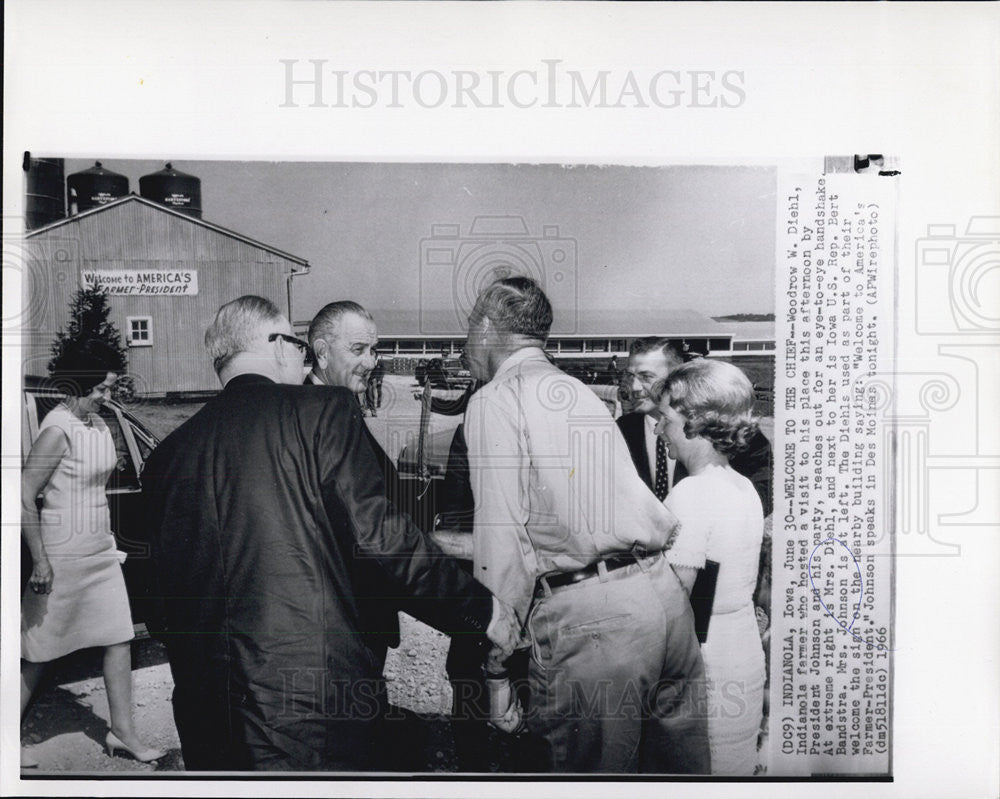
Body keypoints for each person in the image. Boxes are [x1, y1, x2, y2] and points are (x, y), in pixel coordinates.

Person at [142, 296, 518, 771]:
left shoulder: (166, 457)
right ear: (279, 345)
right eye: (298, 344)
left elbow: (158, 608)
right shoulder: (322, 411)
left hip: (206, 716)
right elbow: (379, 541)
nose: (301, 358)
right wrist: (481, 609)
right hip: (312, 712)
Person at [463, 276, 710, 773]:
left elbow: (502, 537)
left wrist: (496, 667)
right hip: (662, 603)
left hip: (596, 625)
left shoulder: (495, 399)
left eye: (469, 327)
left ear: (486, 328)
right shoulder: (577, 391)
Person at [21, 339, 165, 768]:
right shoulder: (57, 429)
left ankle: (122, 732)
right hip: (62, 552)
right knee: (40, 651)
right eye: (102, 389)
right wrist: (40, 560)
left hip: (101, 550)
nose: (107, 397)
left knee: (119, 638)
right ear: (80, 386)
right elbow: (24, 495)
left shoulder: (98, 425)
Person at [652, 359, 766, 775]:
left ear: (694, 423)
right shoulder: (743, 486)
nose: (657, 428)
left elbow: (676, 600)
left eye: (664, 417)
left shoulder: (691, 494)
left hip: (705, 663)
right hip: (743, 651)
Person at [617, 337, 773, 515]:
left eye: (646, 377)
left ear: (676, 375)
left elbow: (763, 486)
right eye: (630, 376)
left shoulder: (724, 426)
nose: (634, 387)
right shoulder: (620, 431)